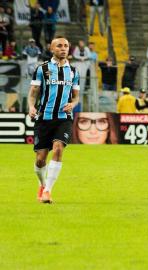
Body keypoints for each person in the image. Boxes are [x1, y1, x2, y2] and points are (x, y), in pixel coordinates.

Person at [28, 37, 80, 204]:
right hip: (44, 118)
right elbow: (33, 92)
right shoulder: (41, 69)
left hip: (63, 118)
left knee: (58, 149)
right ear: (52, 48)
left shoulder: (73, 71)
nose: (63, 48)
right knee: (40, 159)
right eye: (59, 46)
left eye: (66, 46)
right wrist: (31, 106)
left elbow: (76, 97)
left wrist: (73, 104)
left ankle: (48, 191)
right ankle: (42, 185)